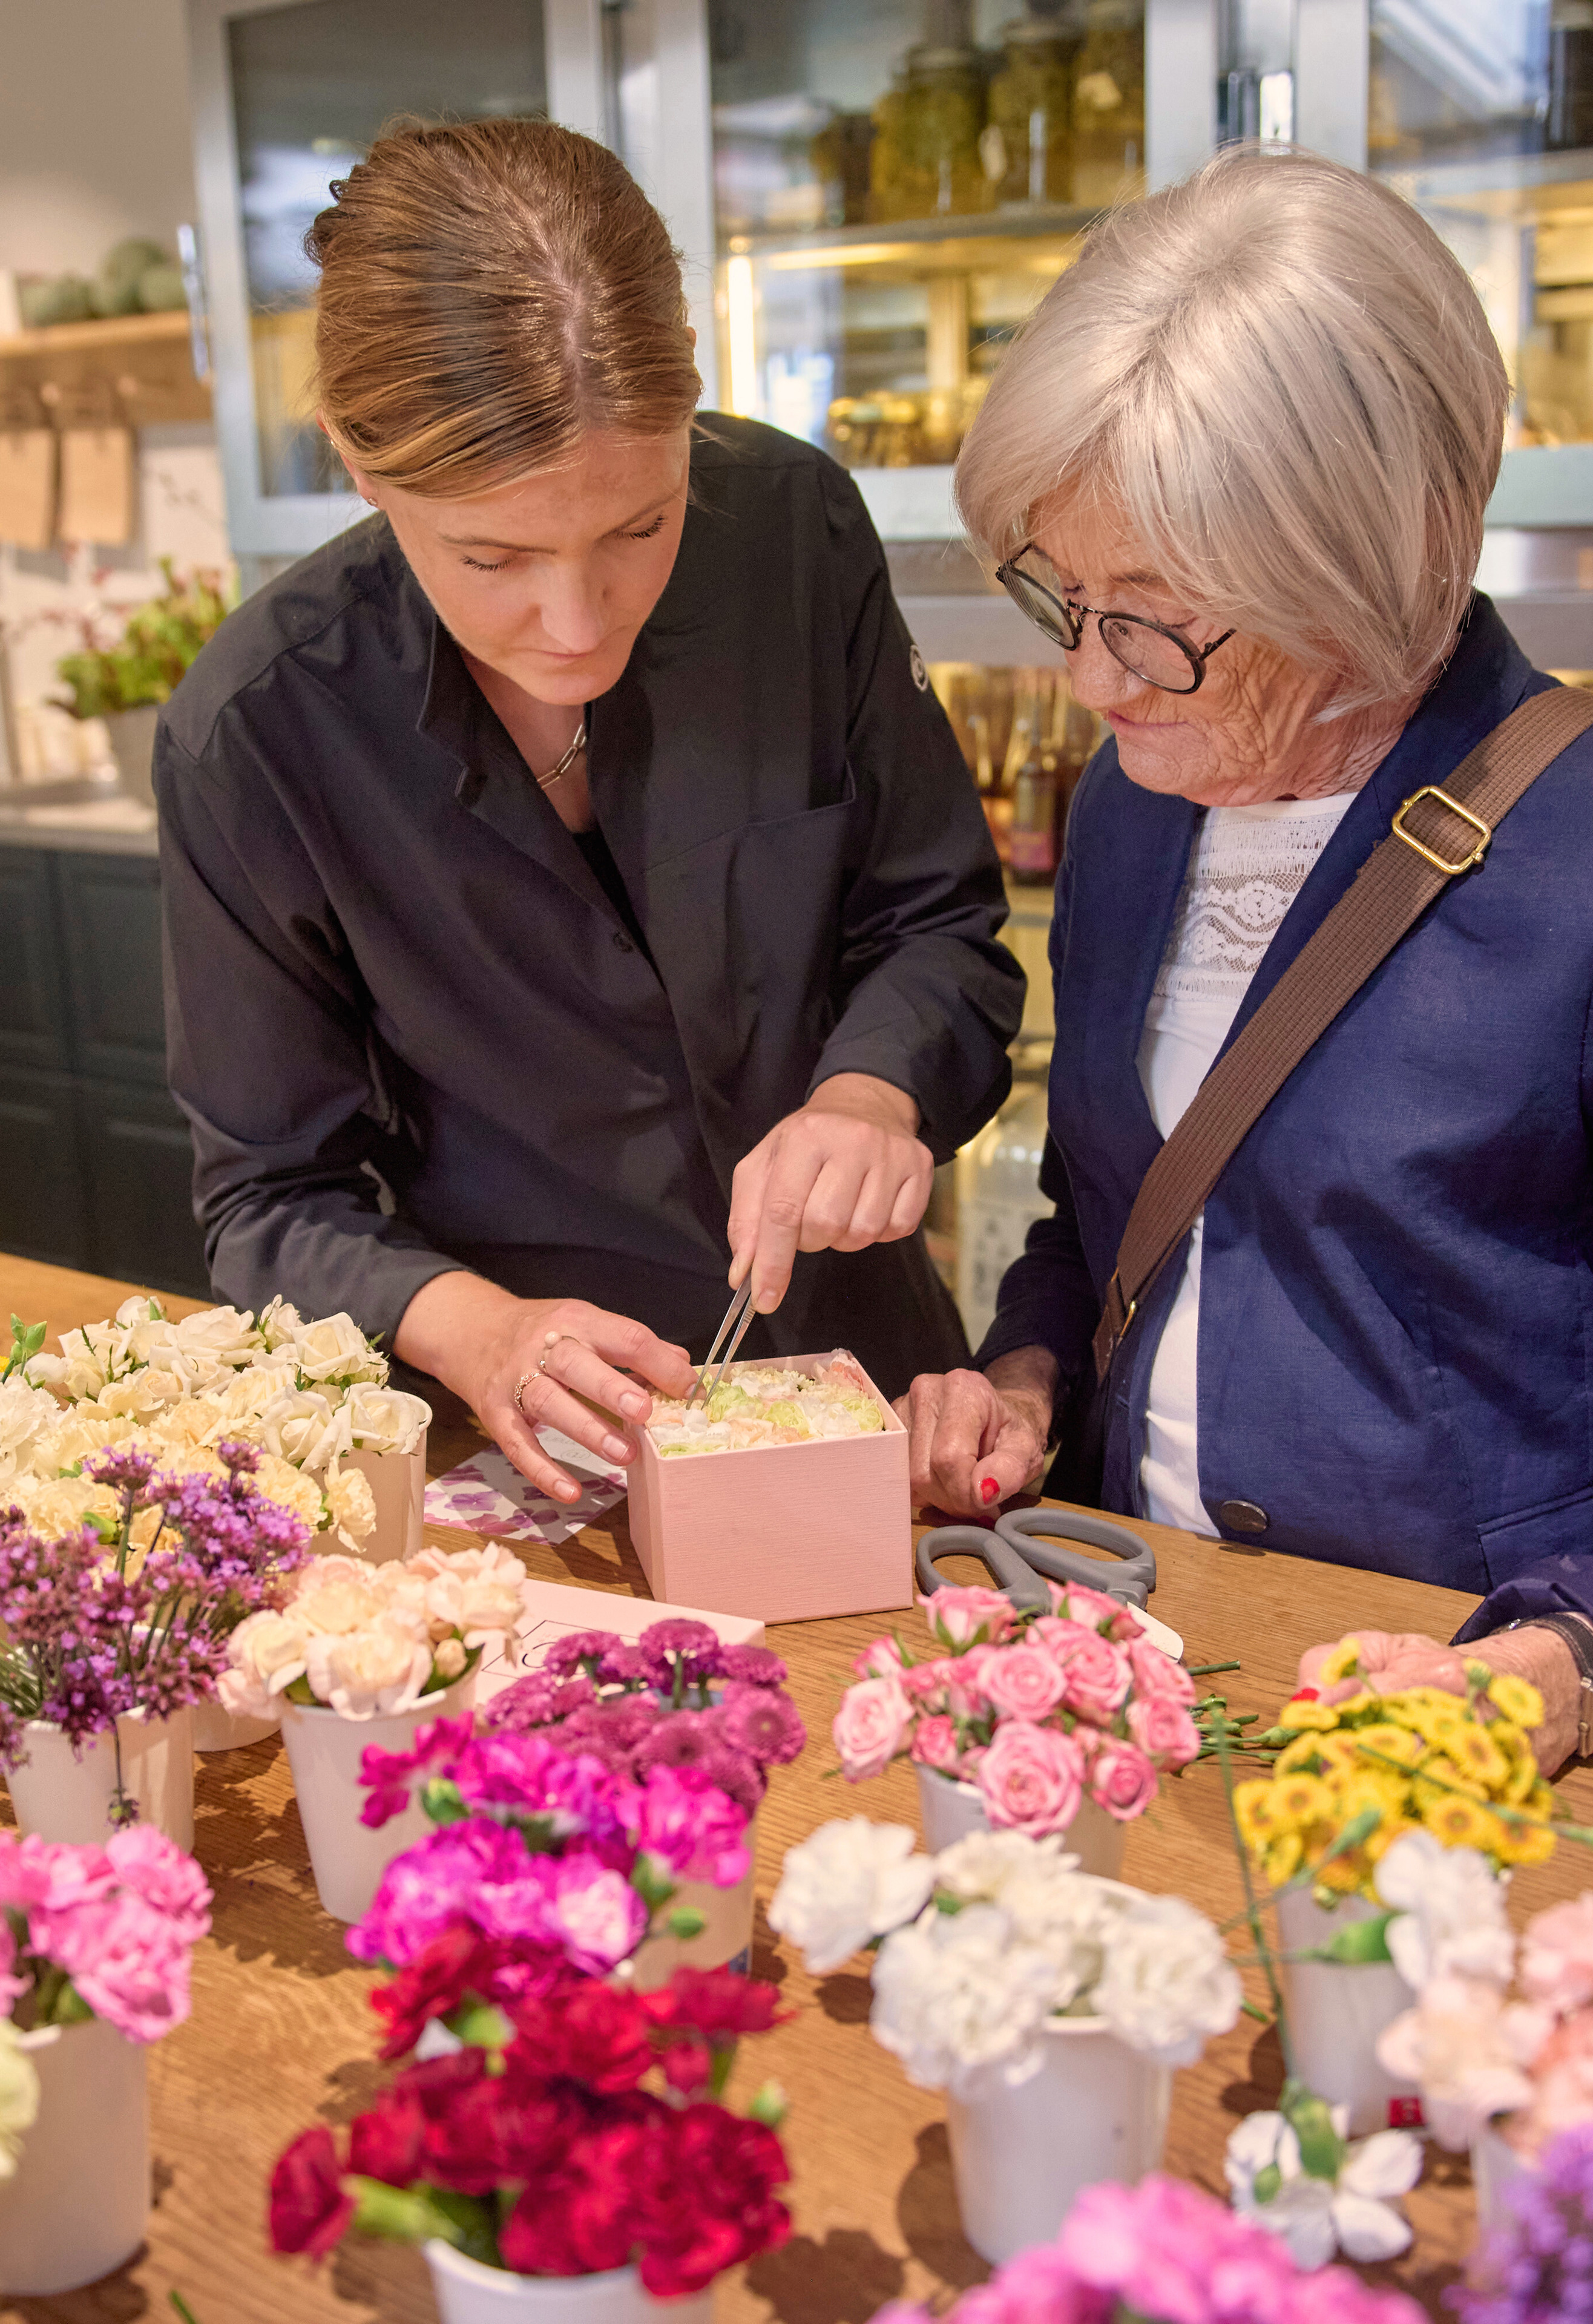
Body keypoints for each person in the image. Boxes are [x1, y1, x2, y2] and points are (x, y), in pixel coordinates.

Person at [899, 146, 1593, 1773]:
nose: (1085, 677)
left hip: (1461, 1730)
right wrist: (1027, 1370)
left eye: (1151, 615)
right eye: (1060, 593)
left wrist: (1549, 1676)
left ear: (1364, 564)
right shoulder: (1146, 807)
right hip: (1147, 1672)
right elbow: (1107, 1210)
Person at [157, 118, 1023, 1506]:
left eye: (640, 527)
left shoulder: (792, 537)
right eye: (491, 555)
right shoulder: (259, 731)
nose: (575, 626)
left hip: (875, 1400)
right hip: (544, 1452)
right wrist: (480, 1333)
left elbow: (940, 926)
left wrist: (871, 1093)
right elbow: (268, 1202)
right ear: (360, 468)